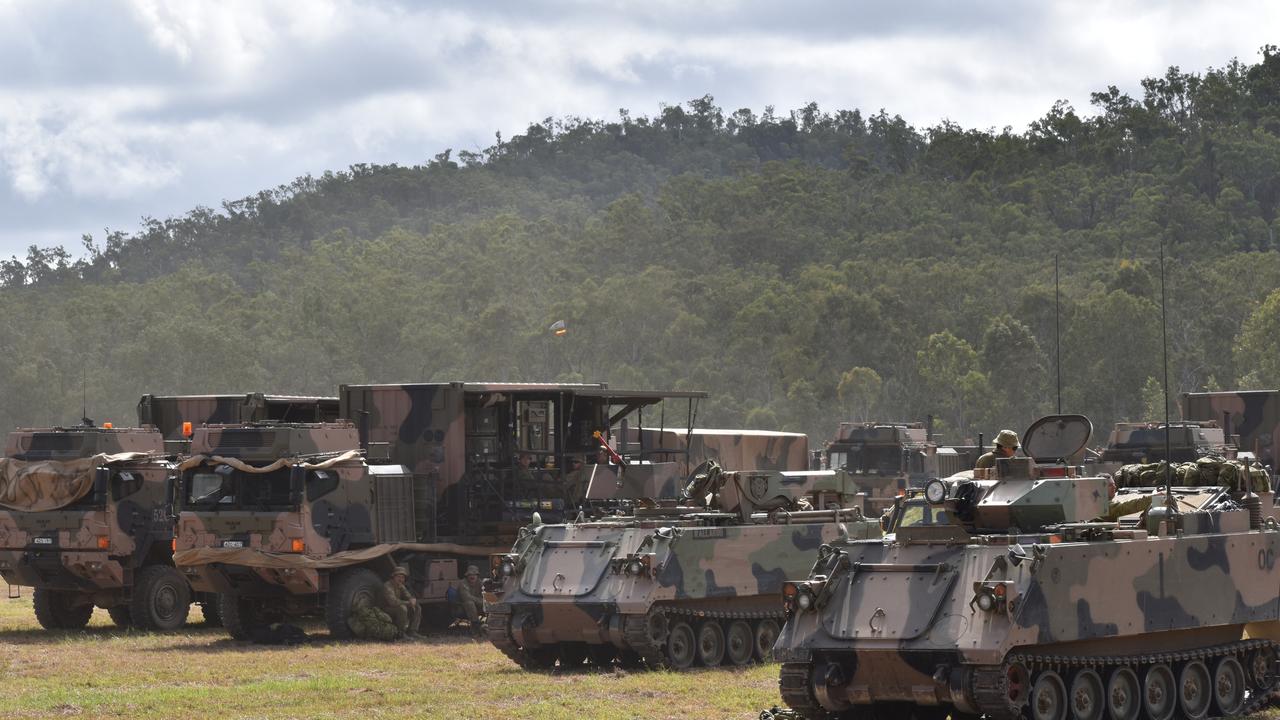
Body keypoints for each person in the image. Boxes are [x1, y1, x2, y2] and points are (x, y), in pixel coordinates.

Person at [381, 566, 422, 639]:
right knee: (402, 608)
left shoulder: (400, 585)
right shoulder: (387, 586)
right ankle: (401, 633)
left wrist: (412, 599)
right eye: (398, 577)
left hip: (395, 607)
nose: (401, 579)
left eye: (402, 577)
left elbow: (407, 595)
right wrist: (408, 603)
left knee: (417, 607)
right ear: (393, 577)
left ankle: (412, 631)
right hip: (385, 608)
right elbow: (392, 602)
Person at [457, 565, 485, 636]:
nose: (472, 576)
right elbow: (466, 597)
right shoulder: (462, 583)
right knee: (469, 603)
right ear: (467, 575)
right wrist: (481, 601)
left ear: (477, 575)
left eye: (474, 574)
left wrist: (484, 602)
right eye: (470, 575)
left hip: (479, 606)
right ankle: (475, 626)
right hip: (462, 607)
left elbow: (485, 596)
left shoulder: (480, 583)